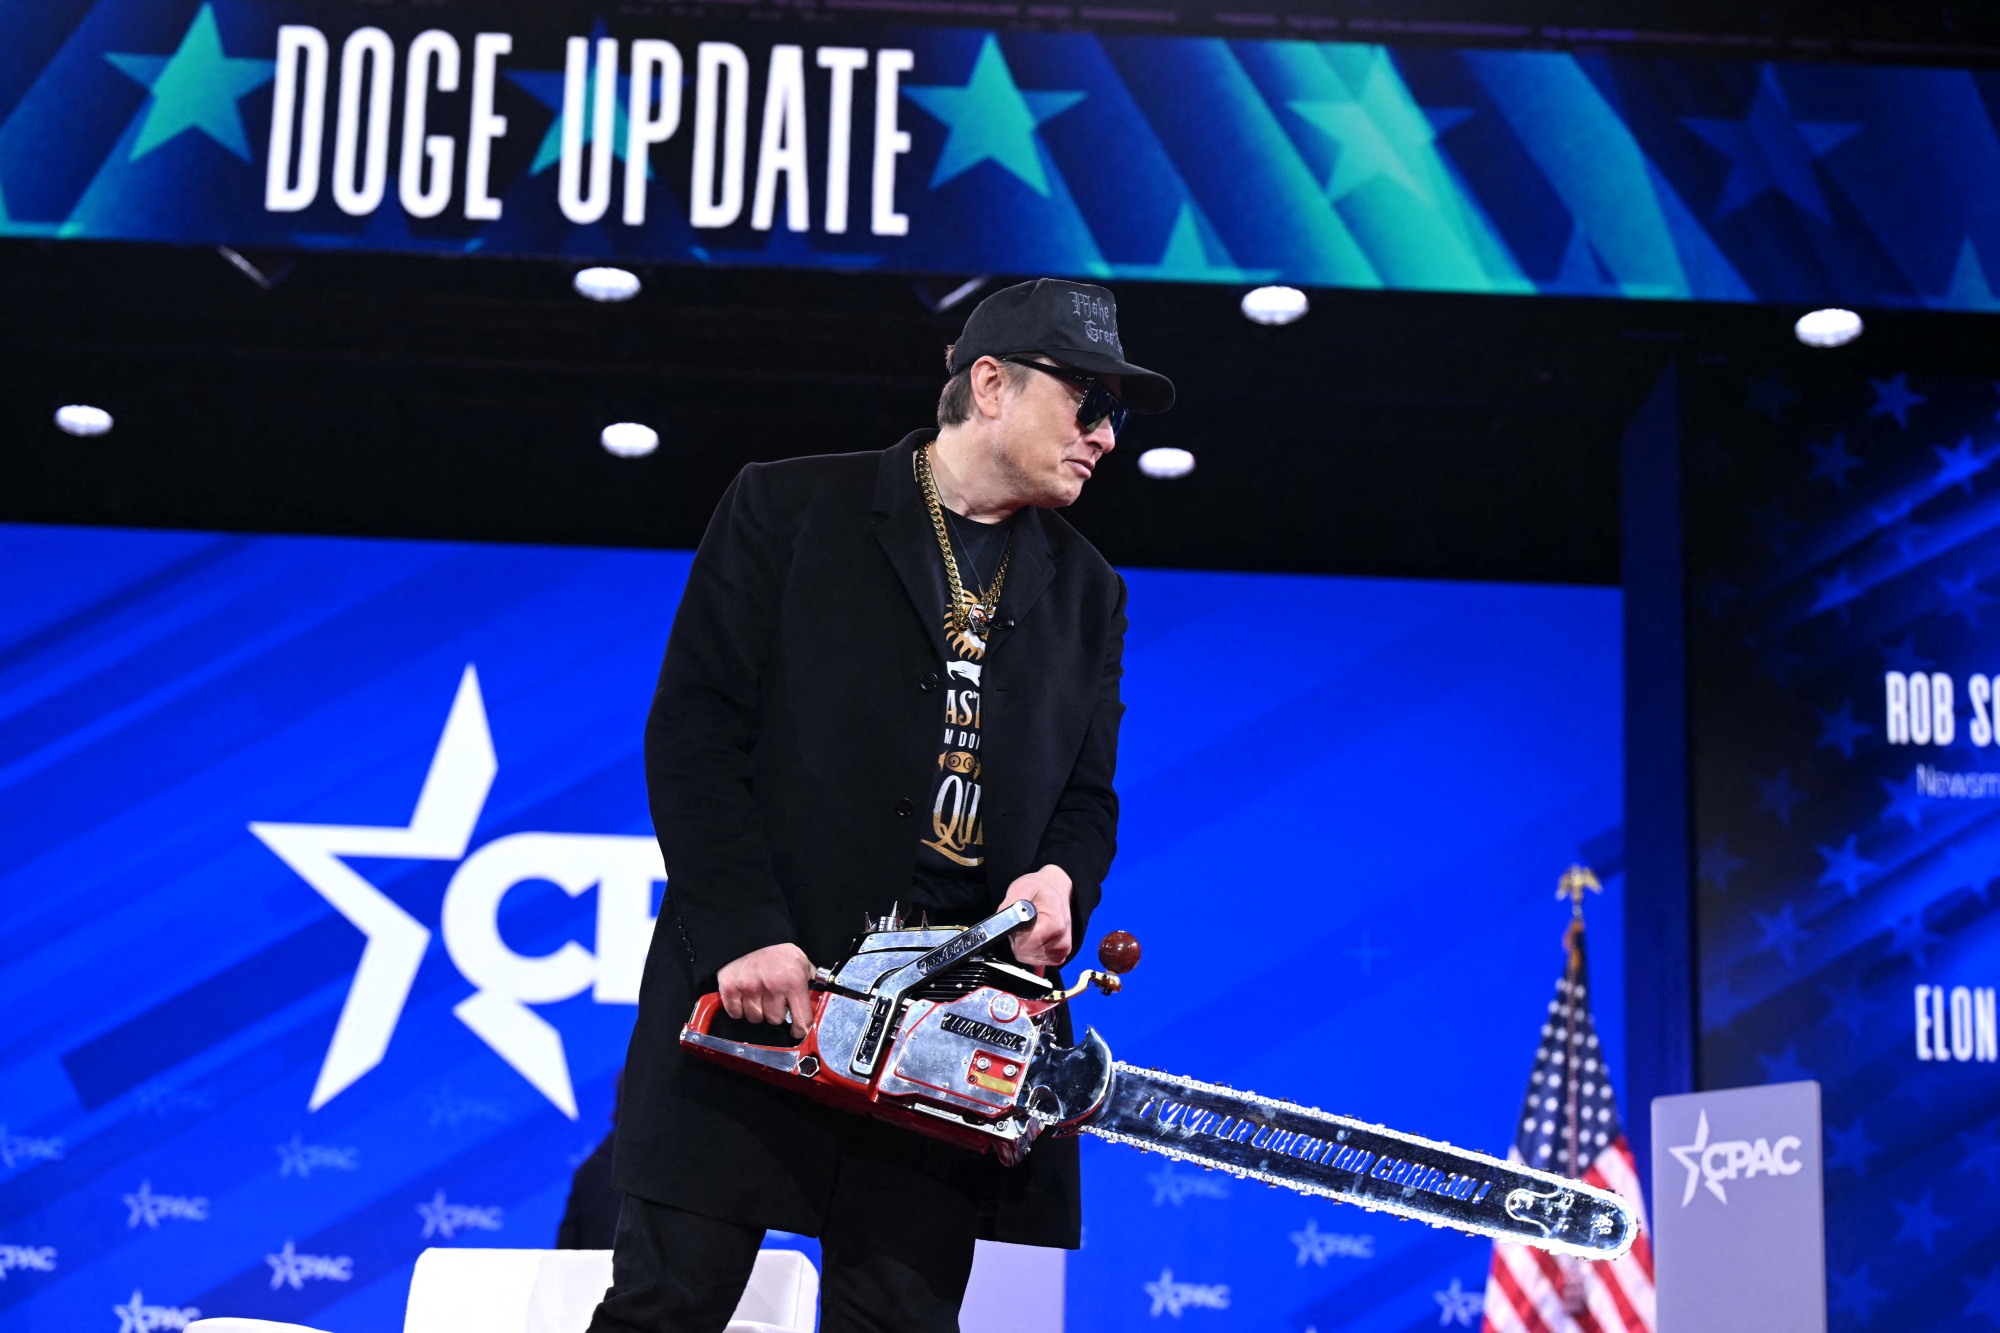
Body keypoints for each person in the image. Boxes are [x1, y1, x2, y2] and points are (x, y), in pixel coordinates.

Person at [588, 278, 1174, 1333]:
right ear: (989, 385)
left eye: (1116, 415)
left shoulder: (1092, 592)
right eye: (1087, 402)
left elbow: (1086, 798)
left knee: (899, 1322)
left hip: (944, 1030)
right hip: (762, 995)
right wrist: (744, 931)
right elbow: (692, 734)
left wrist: (1061, 881)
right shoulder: (786, 508)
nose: (1104, 435)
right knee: (665, 1306)